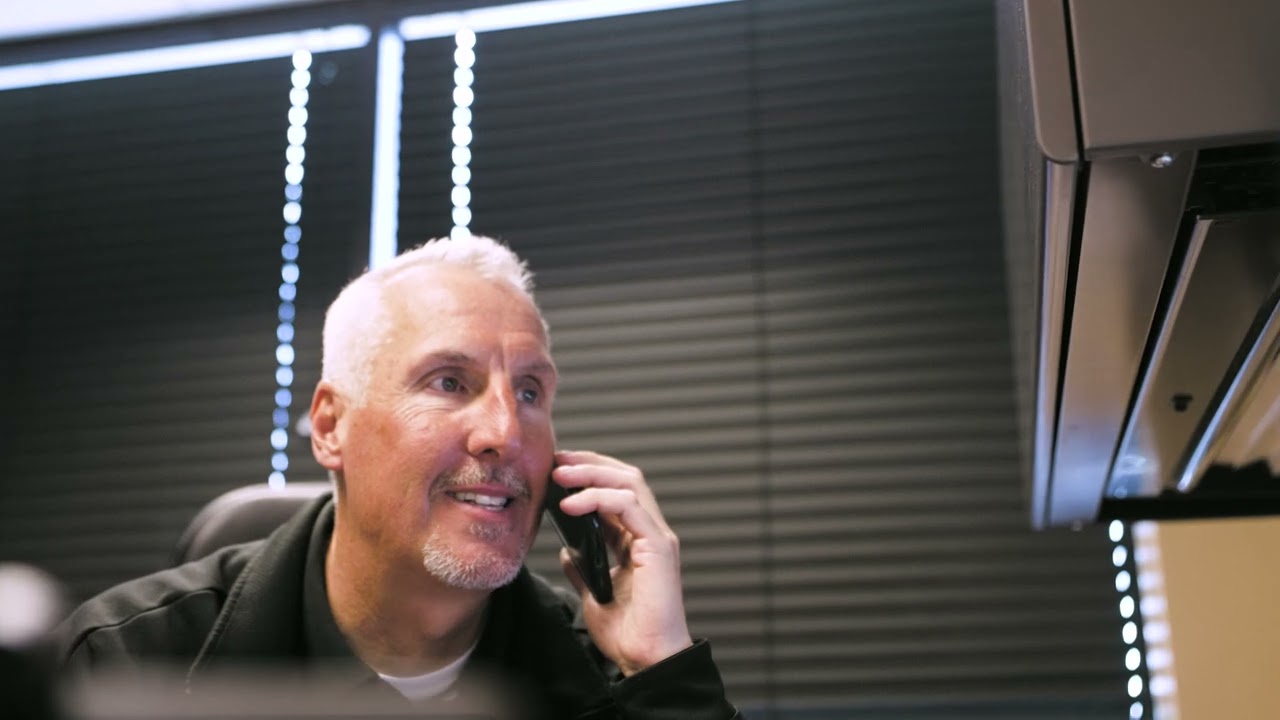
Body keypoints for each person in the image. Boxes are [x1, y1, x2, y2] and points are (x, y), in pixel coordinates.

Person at [55, 235, 739, 719]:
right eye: (449, 382)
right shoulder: (125, 662)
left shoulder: (613, 680)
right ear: (331, 427)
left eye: (530, 391)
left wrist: (661, 673)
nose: (505, 431)